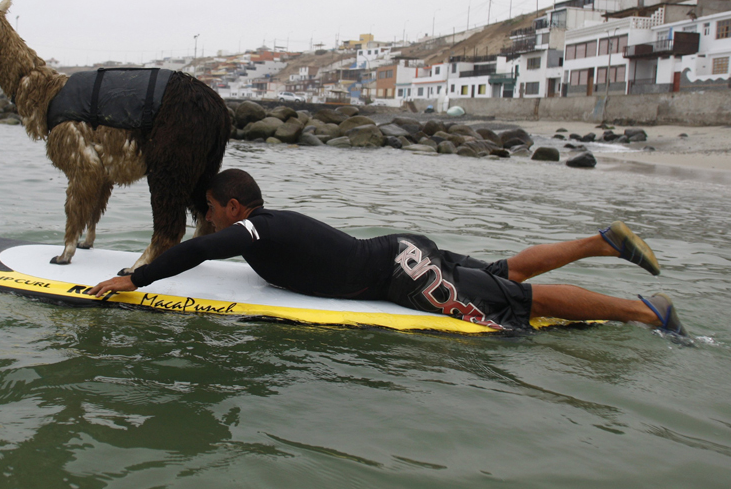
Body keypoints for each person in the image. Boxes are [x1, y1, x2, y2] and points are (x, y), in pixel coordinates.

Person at [90, 169, 685, 335]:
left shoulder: (255, 229)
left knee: (517, 303)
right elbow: (210, 252)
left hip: (400, 274)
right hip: (404, 255)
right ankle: (601, 242)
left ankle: (646, 312)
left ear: (235, 207)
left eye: (210, 210)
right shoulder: (262, 231)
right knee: (503, 273)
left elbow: (200, 253)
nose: (206, 220)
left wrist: (133, 278)